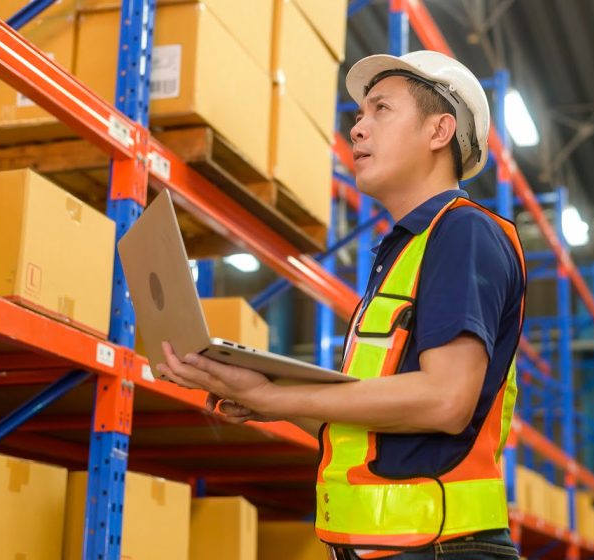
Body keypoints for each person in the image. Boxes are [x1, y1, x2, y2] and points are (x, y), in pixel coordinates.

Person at [158, 50, 527, 560]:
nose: (358, 129)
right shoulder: (402, 254)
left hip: (443, 549)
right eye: (359, 116)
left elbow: (445, 400)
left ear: (439, 131)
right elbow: (373, 427)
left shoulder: (463, 232)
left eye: (381, 110)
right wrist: (264, 393)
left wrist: (280, 400)